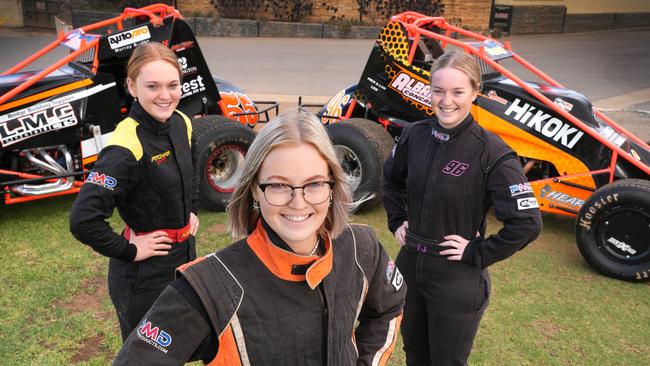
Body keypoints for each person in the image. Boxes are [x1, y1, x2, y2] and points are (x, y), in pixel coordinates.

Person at [113, 111, 406, 365]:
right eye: (279, 185)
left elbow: (389, 306)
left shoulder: (362, 249)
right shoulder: (208, 286)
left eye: (314, 184)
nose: (299, 202)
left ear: (333, 186)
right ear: (254, 188)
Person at [383, 50, 543, 366]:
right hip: (410, 267)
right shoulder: (414, 136)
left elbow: (527, 223)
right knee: (415, 355)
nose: (446, 101)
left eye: (457, 92)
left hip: (456, 278)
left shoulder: (491, 151)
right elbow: (391, 180)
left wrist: (476, 253)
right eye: (438, 90)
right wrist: (397, 218)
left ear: (474, 91)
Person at [69, 42, 200, 341]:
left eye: (172, 85)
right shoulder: (125, 147)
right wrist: (131, 250)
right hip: (143, 277)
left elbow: (190, 168)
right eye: (152, 86)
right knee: (145, 356)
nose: (165, 96)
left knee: (176, 347)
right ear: (132, 86)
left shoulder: (181, 123)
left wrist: (191, 210)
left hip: (183, 259)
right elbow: (83, 220)